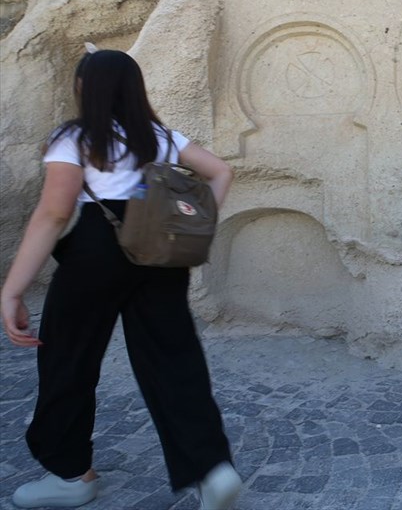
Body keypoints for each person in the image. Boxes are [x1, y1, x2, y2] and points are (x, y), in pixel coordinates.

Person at [0, 49, 243, 509]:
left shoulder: (74, 138)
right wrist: (194, 222)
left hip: (96, 250)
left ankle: (72, 476)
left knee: (68, 358)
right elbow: (221, 171)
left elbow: (54, 214)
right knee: (174, 360)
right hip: (161, 251)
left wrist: (12, 289)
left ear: (83, 88)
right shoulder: (160, 136)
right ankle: (212, 469)